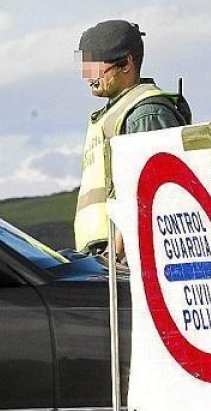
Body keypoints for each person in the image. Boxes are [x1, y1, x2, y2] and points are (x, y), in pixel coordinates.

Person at [74, 19, 191, 255]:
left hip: (127, 261)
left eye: (96, 68)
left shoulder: (145, 115)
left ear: (126, 63)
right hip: (106, 259)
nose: (88, 76)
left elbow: (147, 193)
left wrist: (116, 254)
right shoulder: (114, 113)